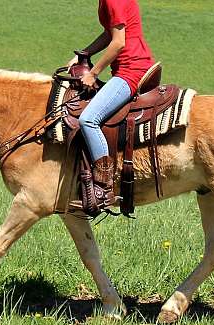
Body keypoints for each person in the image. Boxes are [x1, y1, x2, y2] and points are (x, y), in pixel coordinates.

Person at [67, 0, 154, 209]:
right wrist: (83, 55)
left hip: (131, 70)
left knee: (89, 119)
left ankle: (104, 187)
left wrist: (93, 73)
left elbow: (118, 43)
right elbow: (110, 33)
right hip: (130, 66)